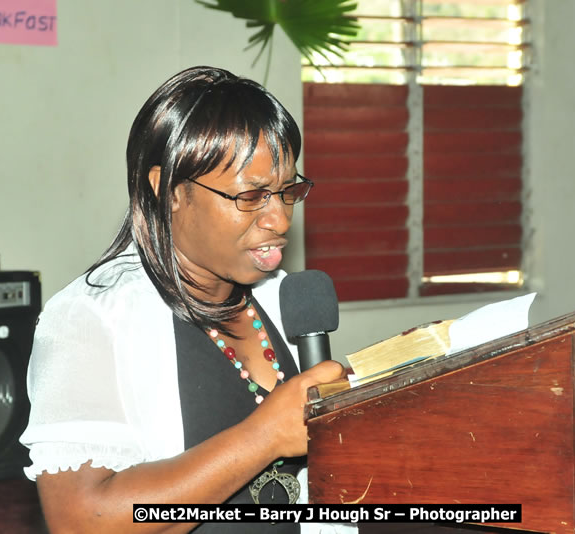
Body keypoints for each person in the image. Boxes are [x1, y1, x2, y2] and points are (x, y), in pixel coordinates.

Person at [19, 66, 350, 533]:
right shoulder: (89, 319)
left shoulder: (281, 298)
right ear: (169, 189)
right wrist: (265, 437)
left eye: (287, 191)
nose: (279, 219)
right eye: (251, 196)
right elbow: (81, 520)